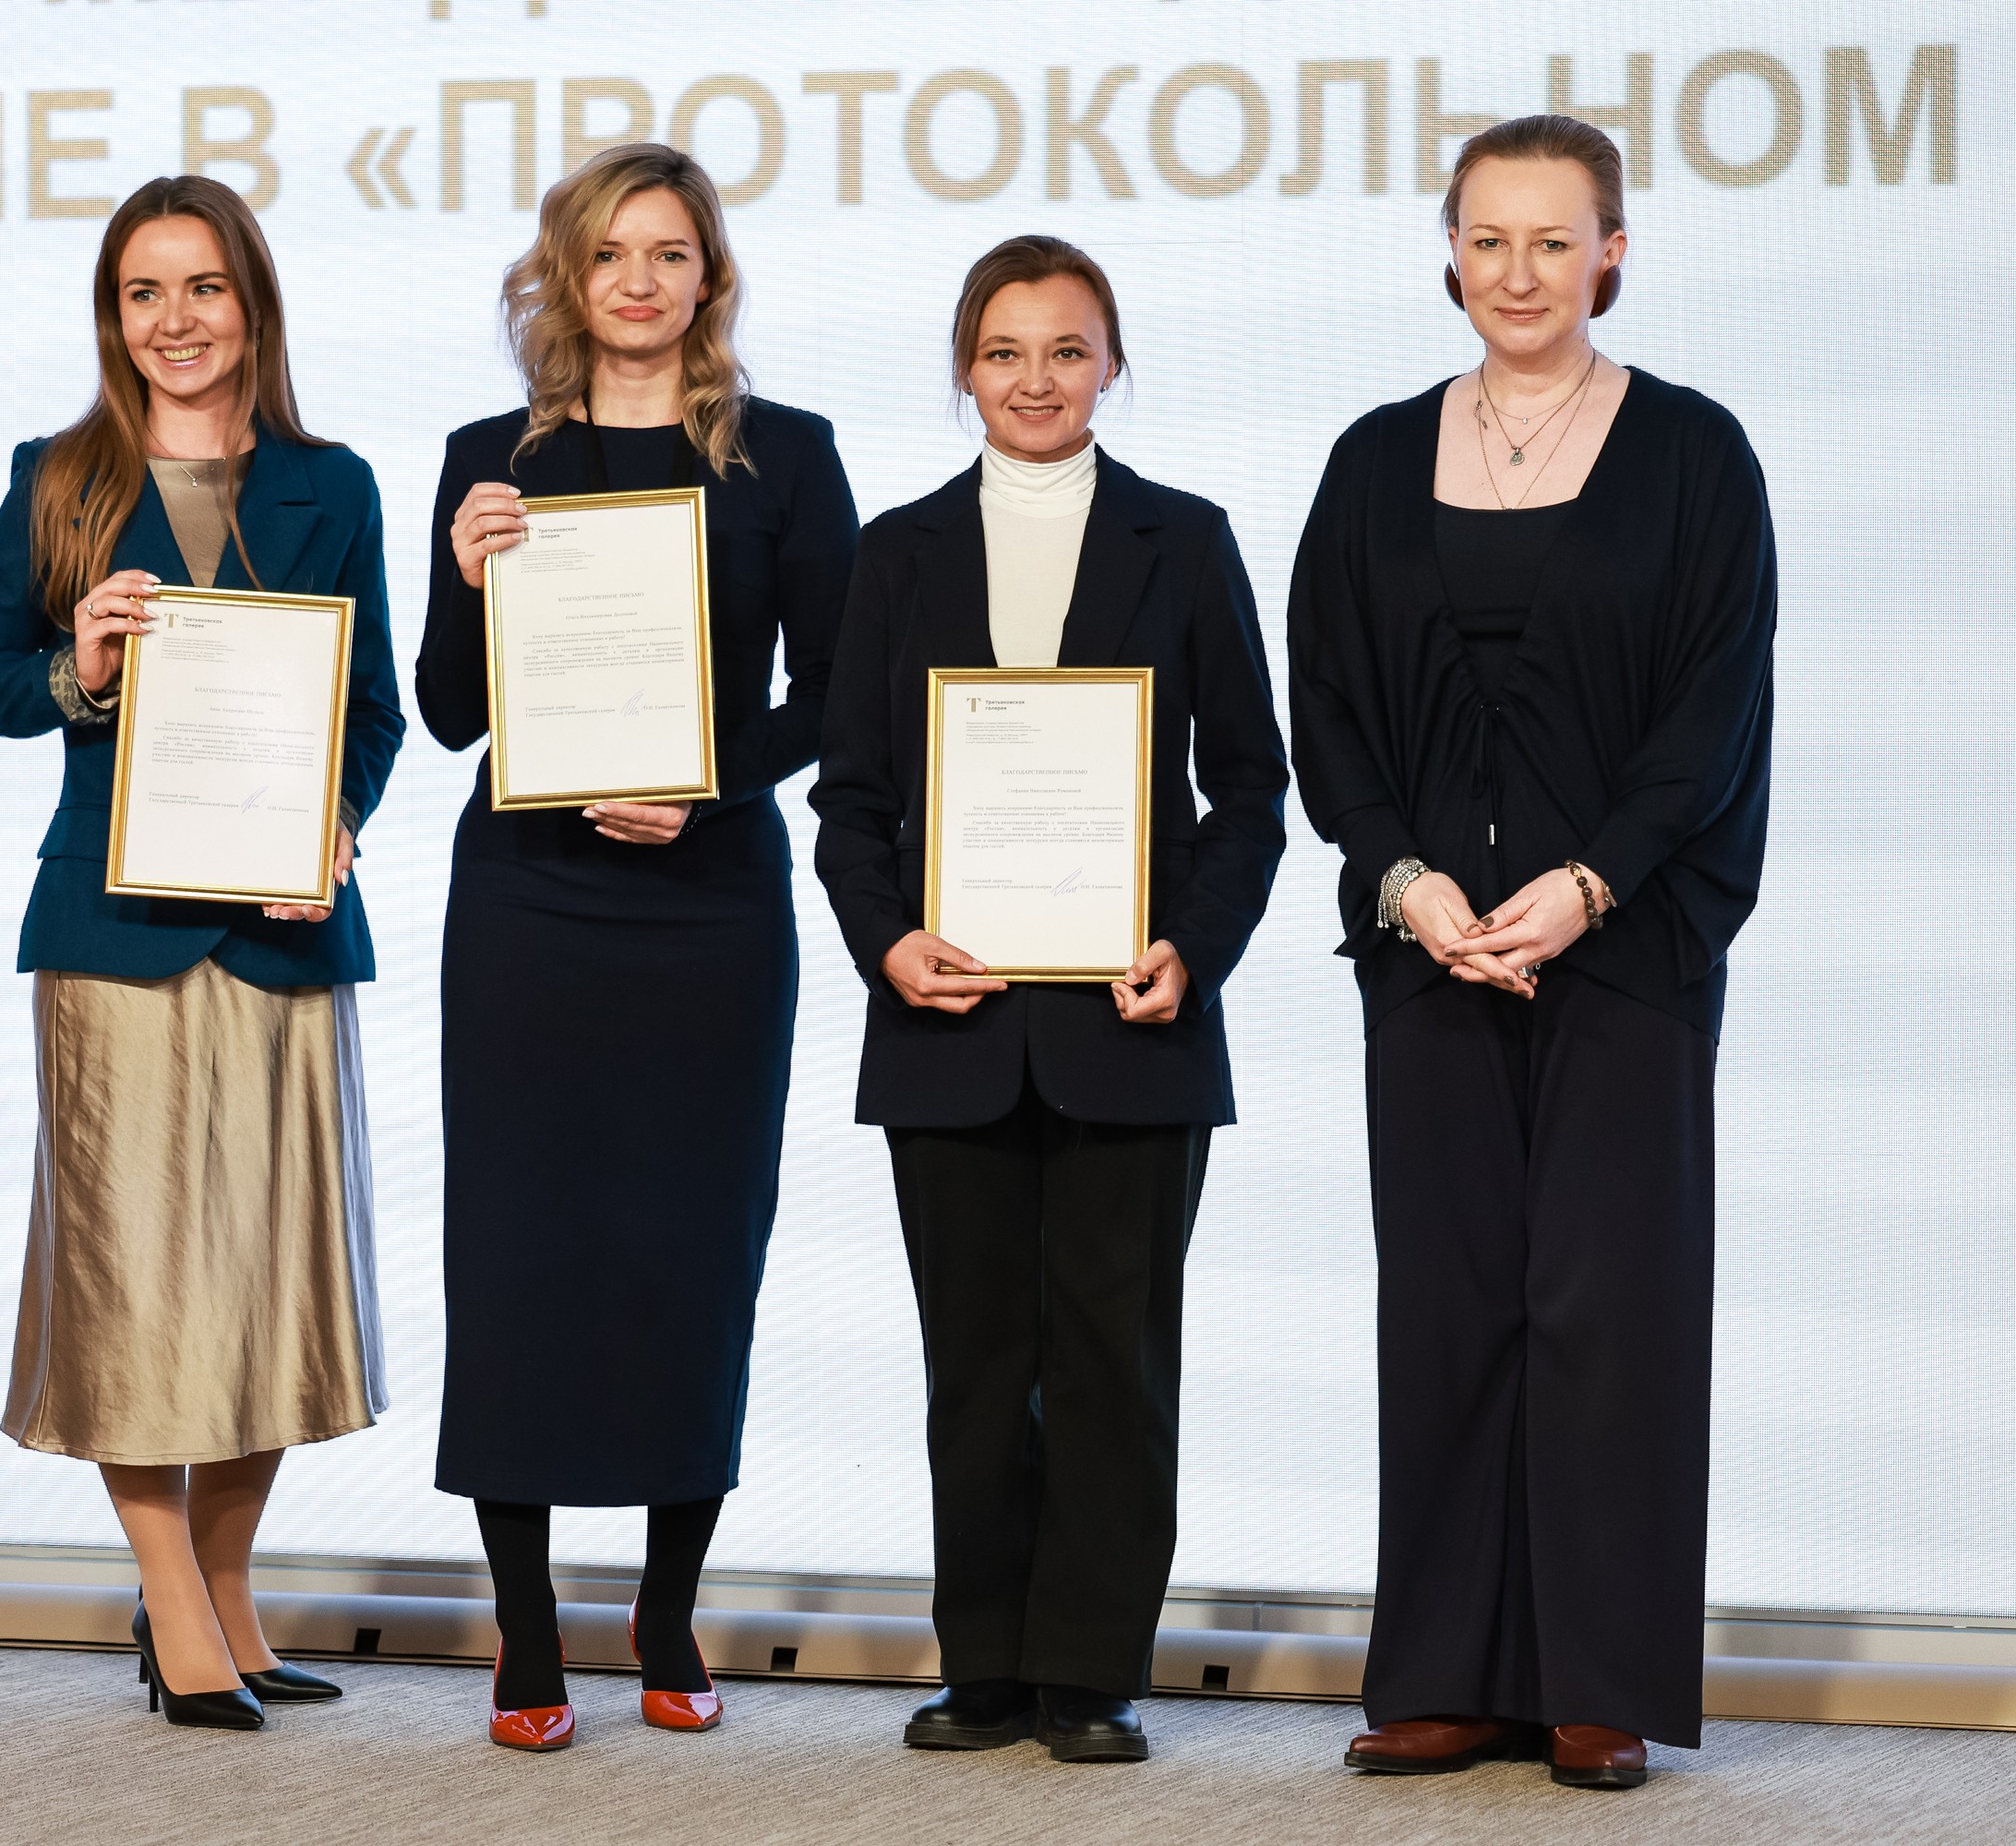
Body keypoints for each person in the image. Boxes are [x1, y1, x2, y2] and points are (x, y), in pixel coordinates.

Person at [1286, 114, 1776, 1791]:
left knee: (1608, 1313)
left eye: (1554, 241)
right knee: (1447, 1308)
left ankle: (1596, 1680)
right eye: (1489, 240)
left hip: (1626, 953)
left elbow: (1712, 715)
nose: (1519, 273)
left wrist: (1590, 884)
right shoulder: (1371, 460)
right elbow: (1327, 706)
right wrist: (1404, 882)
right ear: (1450, 254)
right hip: (1427, 952)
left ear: (1612, 254)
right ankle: (1446, 1674)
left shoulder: (1696, 456)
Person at [0, 175, 404, 1732]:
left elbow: (376, 711)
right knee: (130, 1279)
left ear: (252, 306)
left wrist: (335, 822)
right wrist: (75, 667)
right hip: (111, 935)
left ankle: (225, 1589)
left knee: (270, 1276)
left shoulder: (335, 483)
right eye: (145, 292)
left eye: (204, 287)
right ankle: (174, 1601)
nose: (176, 320)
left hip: (282, 930)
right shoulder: (59, 477)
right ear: (112, 315)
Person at [810, 235, 1288, 1764]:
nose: (1036, 380)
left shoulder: (1186, 540)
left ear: (1112, 365)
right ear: (966, 368)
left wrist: (1194, 949)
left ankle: (1092, 1671)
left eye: (1068, 350)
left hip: (1131, 1023)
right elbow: (849, 800)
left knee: (1112, 1365)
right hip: (946, 1025)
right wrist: (888, 941)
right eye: (1006, 351)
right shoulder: (896, 552)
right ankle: (985, 1666)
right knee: (973, 1366)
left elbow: (1252, 791)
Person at [414, 143, 858, 1751]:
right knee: (519, 1252)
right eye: (610, 253)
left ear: (708, 276)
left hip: (711, 905)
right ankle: (527, 1630)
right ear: (565, 276)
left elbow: (842, 691)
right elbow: (447, 712)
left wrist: (713, 778)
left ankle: (668, 1614)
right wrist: (468, 579)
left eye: (670, 253)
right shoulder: (489, 462)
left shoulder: (787, 456)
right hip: (528, 909)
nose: (640, 282)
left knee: (692, 1250)